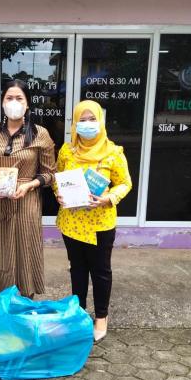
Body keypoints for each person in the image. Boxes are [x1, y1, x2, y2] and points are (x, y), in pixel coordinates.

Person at [54, 100, 132, 342]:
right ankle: (78, 314)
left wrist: (108, 198)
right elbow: (58, 178)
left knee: (100, 272)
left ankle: (101, 317)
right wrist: (58, 194)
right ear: (75, 124)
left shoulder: (113, 152)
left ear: (101, 121)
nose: (87, 124)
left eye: (92, 119)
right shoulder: (67, 151)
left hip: (100, 224)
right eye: (82, 120)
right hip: (72, 223)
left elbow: (125, 183)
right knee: (77, 270)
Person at [0, 79, 56, 298]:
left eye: (19, 98)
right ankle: (4, 304)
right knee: (1, 252)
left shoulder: (40, 134)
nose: (14, 102)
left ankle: (26, 303)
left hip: (26, 202)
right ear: (2, 102)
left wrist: (29, 185)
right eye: (9, 98)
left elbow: (50, 173)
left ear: (27, 103)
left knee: (25, 251)